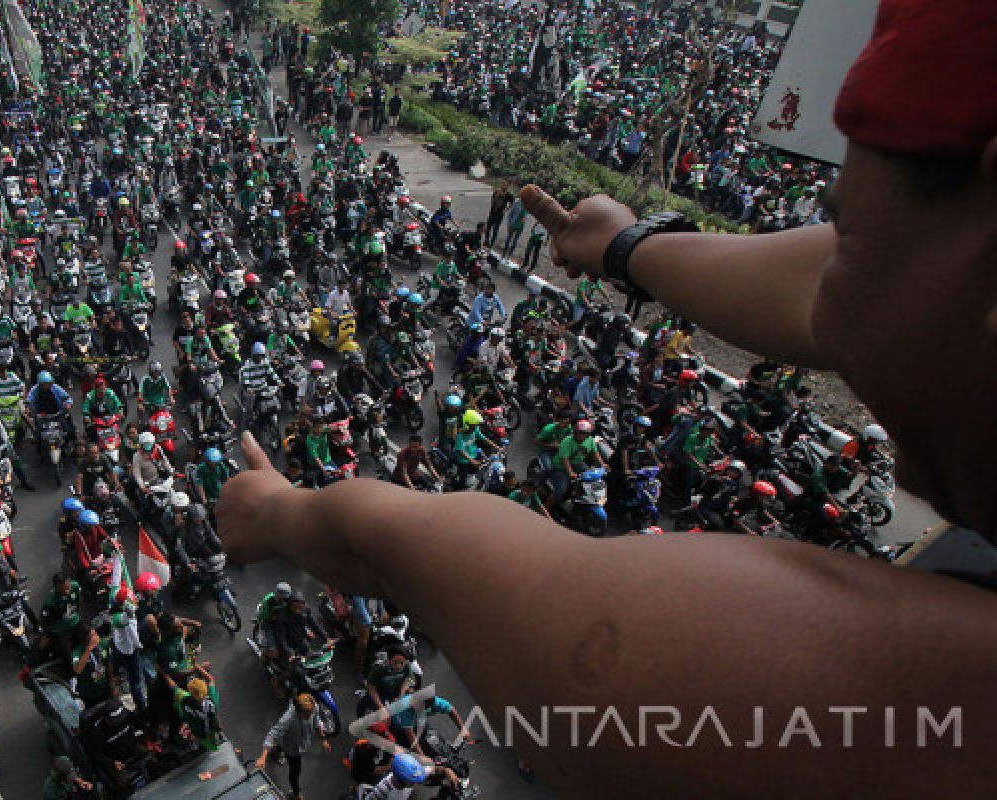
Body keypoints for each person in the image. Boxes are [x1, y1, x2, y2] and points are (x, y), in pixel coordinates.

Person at [215, 5, 997, 795]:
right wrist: (629, 248)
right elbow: (836, 290)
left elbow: (558, 624)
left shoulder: (932, 698)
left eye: (845, 227)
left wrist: (281, 511)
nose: (833, 288)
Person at [255, 693, 331, 800]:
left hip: (297, 741)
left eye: (311, 713)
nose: (310, 716)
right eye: (307, 715)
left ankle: (276, 750)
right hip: (292, 749)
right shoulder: (288, 719)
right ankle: (296, 793)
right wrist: (263, 757)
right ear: (298, 711)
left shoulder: (313, 708)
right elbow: (272, 734)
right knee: (295, 771)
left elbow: (317, 720)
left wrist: (324, 739)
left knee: (280, 744)